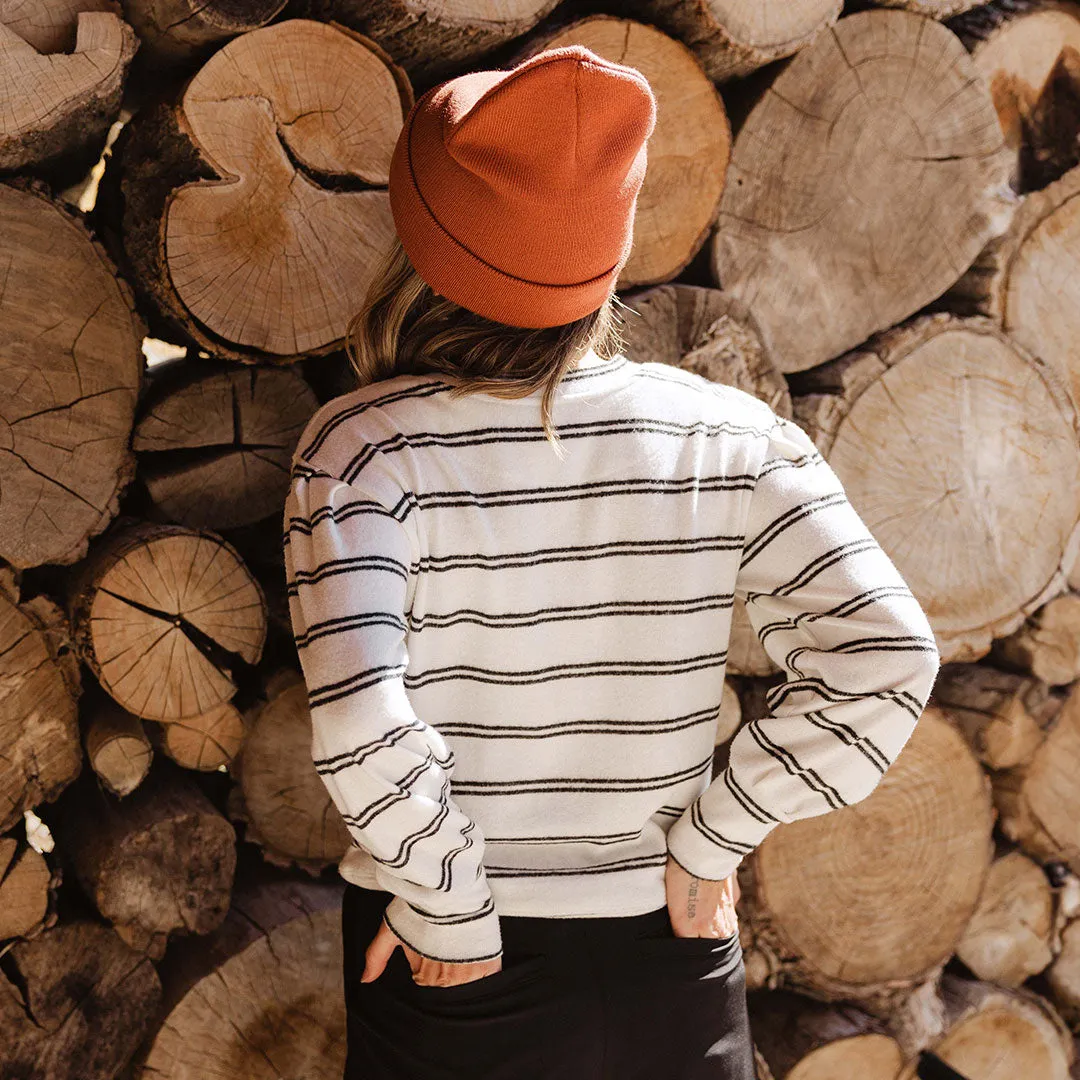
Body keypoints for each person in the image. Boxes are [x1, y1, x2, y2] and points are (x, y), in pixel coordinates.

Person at [281, 43, 941, 1080]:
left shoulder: (364, 451)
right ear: (609, 249)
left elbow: (362, 718)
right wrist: (715, 837)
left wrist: (446, 905)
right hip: (675, 962)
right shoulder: (729, 436)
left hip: (461, 966)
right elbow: (889, 656)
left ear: (421, 238)